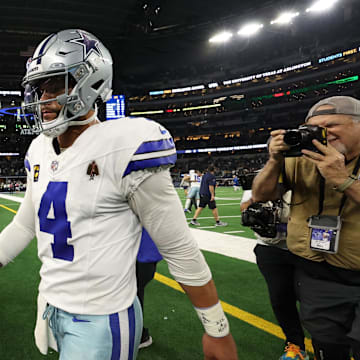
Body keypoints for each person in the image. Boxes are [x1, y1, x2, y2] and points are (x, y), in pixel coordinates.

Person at [0, 29, 237, 360]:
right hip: (52, 305)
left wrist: (216, 329)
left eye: (55, 85)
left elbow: (178, 247)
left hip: (102, 317)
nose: (43, 98)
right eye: (39, 88)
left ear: (89, 81)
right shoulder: (39, 149)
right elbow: (25, 225)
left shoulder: (126, 145)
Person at [252, 96, 360, 360]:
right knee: (327, 344)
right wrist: (274, 160)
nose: (323, 133)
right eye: (314, 127)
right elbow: (260, 194)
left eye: (331, 125)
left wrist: (343, 179)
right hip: (316, 273)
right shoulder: (299, 159)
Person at [241, 189, 308, 360]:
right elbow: (245, 207)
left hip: (309, 247)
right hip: (271, 246)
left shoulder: (312, 171)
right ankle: (296, 345)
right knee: (281, 299)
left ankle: (331, 345)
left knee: (314, 301)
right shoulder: (266, 175)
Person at [136, 228, 163, 349]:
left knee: (133, 295)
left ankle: (139, 335)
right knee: (135, 294)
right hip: (145, 252)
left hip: (140, 253)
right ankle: (139, 334)